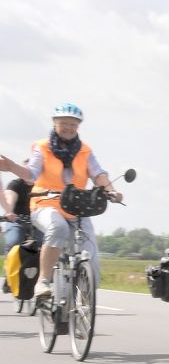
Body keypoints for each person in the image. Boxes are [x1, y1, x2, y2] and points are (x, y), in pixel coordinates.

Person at [0, 103, 123, 297]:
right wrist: (12, 167)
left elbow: (98, 174)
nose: (68, 128)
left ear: (78, 127)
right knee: (58, 228)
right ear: (54, 123)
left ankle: (78, 306)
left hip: (76, 206)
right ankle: (43, 281)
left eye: (73, 124)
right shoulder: (42, 147)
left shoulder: (85, 151)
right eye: (63, 123)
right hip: (45, 203)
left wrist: (111, 190)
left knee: (90, 256)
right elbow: (31, 174)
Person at [2, 160, 41, 251]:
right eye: (24, 170)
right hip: (16, 220)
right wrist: (9, 211)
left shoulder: (42, 185)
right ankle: (9, 264)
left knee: (46, 243)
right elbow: (10, 197)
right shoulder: (15, 184)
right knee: (14, 242)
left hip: (39, 222)